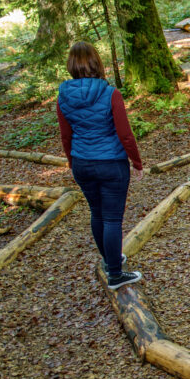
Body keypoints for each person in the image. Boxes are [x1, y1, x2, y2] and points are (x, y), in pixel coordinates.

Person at [56, 41, 143, 290]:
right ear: (96, 62)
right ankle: (115, 274)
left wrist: (73, 163)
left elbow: (66, 136)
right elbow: (125, 134)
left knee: (97, 213)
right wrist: (136, 162)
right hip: (111, 164)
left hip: (83, 163)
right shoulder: (110, 93)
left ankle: (110, 260)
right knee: (113, 219)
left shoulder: (63, 95)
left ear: (71, 65)